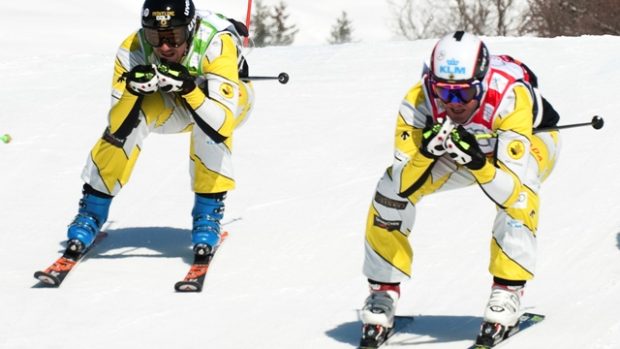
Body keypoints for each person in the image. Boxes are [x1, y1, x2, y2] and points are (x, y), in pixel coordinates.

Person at [359, 31, 561, 344]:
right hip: (454, 148)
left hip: (533, 139)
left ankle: (507, 294)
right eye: (444, 91)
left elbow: (508, 191)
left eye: (464, 94)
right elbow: (401, 183)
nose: (453, 103)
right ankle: (382, 293)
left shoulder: (510, 97)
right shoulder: (419, 100)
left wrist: (479, 162)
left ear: (482, 82)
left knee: (520, 194)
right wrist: (426, 152)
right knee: (388, 193)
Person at [65, 0, 254, 257]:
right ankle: (91, 212)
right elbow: (117, 127)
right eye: (155, 36)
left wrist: (188, 88)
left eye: (174, 37)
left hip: (227, 105)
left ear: (190, 28)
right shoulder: (133, 47)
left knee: (207, 126)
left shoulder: (215, 42)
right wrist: (132, 90)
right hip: (172, 104)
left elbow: (220, 125)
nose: (165, 47)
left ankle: (207, 214)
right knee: (129, 122)